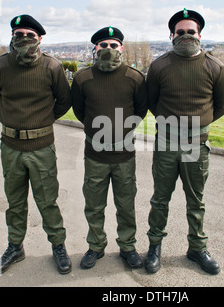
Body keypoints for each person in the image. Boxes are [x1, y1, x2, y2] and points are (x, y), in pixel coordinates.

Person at [145, 9, 224, 275]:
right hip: (166, 144)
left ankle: (197, 248)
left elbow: (222, 105)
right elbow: (151, 102)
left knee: (196, 200)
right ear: (172, 35)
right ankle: (154, 246)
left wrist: (197, 125)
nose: (185, 36)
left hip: (197, 144)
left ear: (200, 35)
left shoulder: (214, 67)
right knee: (160, 199)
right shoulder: (159, 66)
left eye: (190, 31)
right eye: (179, 32)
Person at [0, 14, 72, 275]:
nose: (24, 39)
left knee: (47, 200)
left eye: (30, 35)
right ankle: (15, 246)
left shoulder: (52, 67)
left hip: (42, 147)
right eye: (19, 34)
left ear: (40, 39)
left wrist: (42, 122)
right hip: (11, 147)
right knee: (15, 201)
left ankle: (58, 245)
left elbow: (64, 100)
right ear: (12, 37)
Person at [70, 26, 148, 269]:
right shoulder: (83, 78)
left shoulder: (134, 78)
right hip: (95, 155)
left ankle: (127, 246)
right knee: (94, 205)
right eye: (103, 45)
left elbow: (140, 111)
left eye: (113, 45)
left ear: (121, 48)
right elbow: (80, 111)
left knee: (126, 204)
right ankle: (95, 246)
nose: (108, 49)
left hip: (124, 156)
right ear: (96, 48)